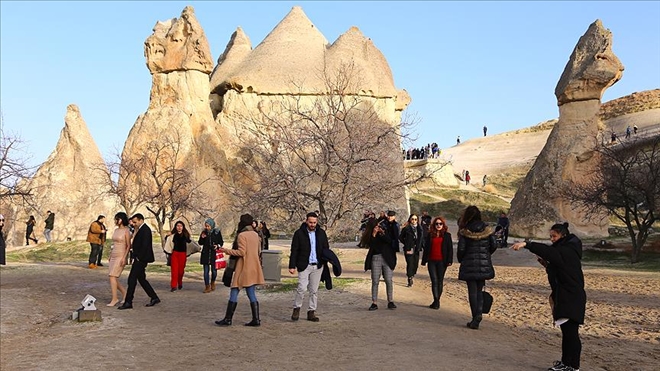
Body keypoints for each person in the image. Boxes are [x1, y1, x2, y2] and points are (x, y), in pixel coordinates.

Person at [512, 223, 586, 371]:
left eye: (554, 236)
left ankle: (573, 366)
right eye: (550, 236)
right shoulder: (563, 250)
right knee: (567, 332)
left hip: (571, 296)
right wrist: (547, 265)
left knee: (571, 333)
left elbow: (548, 252)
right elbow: (559, 267)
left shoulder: (567, 250)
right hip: (566, 294)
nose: (552, 239)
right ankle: (566, 363)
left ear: (563, 236)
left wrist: (527, 244)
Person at [215, 214, 265, 327]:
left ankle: (228, 319)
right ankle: (256, 319)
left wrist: (226, 250)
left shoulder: (242, 235)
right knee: (251, 292)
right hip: (253, 266)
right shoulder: (256, 235)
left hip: (243, 266)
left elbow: (242, 252)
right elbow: (258, 251)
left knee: (235, 289)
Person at [457, 205, 498, 329]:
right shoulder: (487, 229)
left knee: (472, 291)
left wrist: (462, 260)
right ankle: (478, 314)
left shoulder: (465, 231)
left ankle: (475, 317)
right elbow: (494, 245)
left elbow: (461, 249)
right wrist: (486, 255)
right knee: (480, 290)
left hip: (469, 263)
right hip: (483, 264)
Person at [288, 212, 330, 322]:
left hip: (317, 265)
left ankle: (311, 311)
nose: (312, 224)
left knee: (314, 290)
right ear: (306, 221)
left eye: (314, 222)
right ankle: (296, 308)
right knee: (301, 287)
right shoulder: (299, 233)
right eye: (310, 222)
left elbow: (326, 248)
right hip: (304, 265)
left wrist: (327, 261)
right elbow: (294, 250)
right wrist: (292, 265)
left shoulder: (321, 233)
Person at [118, 213, 160, 310]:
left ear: (141, 220)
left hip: (141, 259)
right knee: (141, 279)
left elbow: (144, 246)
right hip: (139, 258)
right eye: (133, 222)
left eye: (135, 222)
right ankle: (154, 297)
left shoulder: (145, 230)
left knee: (131, 279)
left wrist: (138, 258)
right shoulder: (139, 229)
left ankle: (128, 301)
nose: (133, 223)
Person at [364, 219, 397, 310]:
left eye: (378, 225)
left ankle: (390, 301)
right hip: (376, 258)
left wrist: (382, 233)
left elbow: (389, 241)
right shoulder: (370, 235)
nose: (378, 227)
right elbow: (371, 246)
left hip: (387, 258)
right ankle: (374, 302)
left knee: (388, 280)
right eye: (376, 226)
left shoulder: (384, 231)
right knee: (375, 281)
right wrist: (374, 235)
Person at [422, 216, 453, 309]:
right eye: (437, 224)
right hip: (432, 261)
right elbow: (426, 248)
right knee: (434, 281)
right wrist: (424, 261)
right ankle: (436, 300)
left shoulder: (447, 236)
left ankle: (437, 301)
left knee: (440, 281)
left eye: (440, 224)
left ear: (443, 225)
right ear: (434, 225)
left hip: (442, 262)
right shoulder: (430, 235)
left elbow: (450, 249)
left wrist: (449, 261)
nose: (438, 225)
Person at [107, 212, 131, 306]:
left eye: (117, 219)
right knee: (113, 277)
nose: (116, 221)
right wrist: (110, 254)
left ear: (121, 219)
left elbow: (128, 245)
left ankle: (114, 298)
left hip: (121, 254)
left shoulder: (126, 231)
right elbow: (114, 244)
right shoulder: (116, 230)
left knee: (112, 276)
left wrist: (125, 258)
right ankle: (124, 293)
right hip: (114, 254)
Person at [164, 221, 192, 292]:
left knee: (180, 271)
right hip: (175, 254)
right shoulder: (173, 235)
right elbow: (167, 241)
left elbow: (190, 243)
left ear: (183, 227)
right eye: (178, 226)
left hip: (183, 254)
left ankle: (180, 282)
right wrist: (167, 235)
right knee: (174, 271)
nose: (179, 227)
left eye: (181, 226)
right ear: (175, 227)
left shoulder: (186, 235)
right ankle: (173, 286)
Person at [198, 218, 224, 293]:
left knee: (214, 271)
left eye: (208, 226)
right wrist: (202, 238)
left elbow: (221, 242)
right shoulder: (204, 232)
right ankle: (207, 286)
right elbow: (200, 242)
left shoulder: (217, 232)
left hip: (213, 254)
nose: (207, 227)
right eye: (206, 226)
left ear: (212, 225)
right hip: (205, 254)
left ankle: (212, 282)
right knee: (206, 271)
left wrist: (217, 246)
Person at [399, 214, 423, 287]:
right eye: (412, 219)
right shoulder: (406, 228)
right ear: (410, 219)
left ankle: (412, 274)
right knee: (410, 263)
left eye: (415, 219)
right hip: (409, 248)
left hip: (417, 249)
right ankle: (409, 277)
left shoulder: (420, 228)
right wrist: (406, 243)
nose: (414, 221)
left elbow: (422, 238)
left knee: (415, 263)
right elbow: (400, 237)